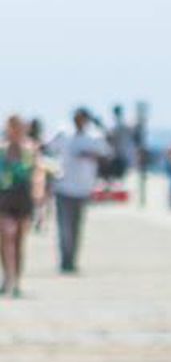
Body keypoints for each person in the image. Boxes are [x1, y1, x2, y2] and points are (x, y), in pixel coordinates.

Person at [44, 108, 109, 273]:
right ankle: (65, 260)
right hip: (63, 187)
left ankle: (72, 259)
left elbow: (106, 153)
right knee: (64, 227)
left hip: (83, 188)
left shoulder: (94, 137)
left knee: (76, 227)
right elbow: (47, 149)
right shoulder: (63, 134)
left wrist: (90, 155)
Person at [0, 116, 37, 297]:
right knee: (7, 236)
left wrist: (40, 197)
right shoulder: (1, 150)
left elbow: (36, 174)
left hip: (24, 197)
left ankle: (16, 282)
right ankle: (8, 278)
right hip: (4, 197)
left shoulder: (30, 149)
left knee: (19, 242)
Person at [27, 118, 50, 233]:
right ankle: (38, 221)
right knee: (38, 201)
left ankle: (38, 221)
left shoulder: (36, 143)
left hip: (38, 173)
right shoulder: (35, 143)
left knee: (39, 200)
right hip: (36, 173)